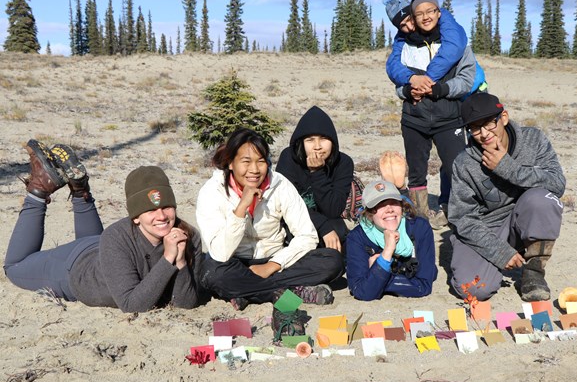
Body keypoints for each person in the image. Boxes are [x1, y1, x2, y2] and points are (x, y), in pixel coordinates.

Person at [4, 140, 204, 313]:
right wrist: (168, 258)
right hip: (74, 268)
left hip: (104, 249)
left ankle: (80, 189)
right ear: (135, 217)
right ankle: (38, 190)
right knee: (13, 268)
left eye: (167, 207)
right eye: (151, 210)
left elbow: (185, 304)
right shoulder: (117, 236)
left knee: (107, 245)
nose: (161, 216)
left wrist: (180, 262)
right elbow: (132, 305)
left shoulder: (188, 237)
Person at [196, 128, 344, 310]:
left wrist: (272, 265)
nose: (254, 170)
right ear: (230, 163)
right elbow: (220, 253)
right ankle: (288, 292)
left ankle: (246, 292)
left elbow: (307, 235)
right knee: (211, 273)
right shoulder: (212, 191)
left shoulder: (280, 184)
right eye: (246, 161)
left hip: (277, 259)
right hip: (235, 262)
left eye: (261, 161)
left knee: (332, 261)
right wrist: (241, 208)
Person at [447, 93, 565, 302]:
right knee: (473, 289)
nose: (483, 134)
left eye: (489, 123)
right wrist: (499, 252)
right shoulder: (464, 163)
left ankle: (534, 272)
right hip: (487, 227)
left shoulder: (533, 140)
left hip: (527, 217)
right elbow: (462, 218)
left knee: (542, 200)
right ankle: (492, 257)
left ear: (503, 118)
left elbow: (557, 184)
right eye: (474, 128)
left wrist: (509, 169)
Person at [384, 0, 487, 229]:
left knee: (455, 167)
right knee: (417, 171)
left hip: (450, 117)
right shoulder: (404, 45)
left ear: (437, 14)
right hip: (414, 118)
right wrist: (409, 91)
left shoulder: (457, 44)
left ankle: (451, 210)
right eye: (415, 17)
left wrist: (439, 89)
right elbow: (397, 82)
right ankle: (419, 216)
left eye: (426, 13)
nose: (413, 24)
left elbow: (466, 79)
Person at [276, 106, 353, 253]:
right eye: (310, 140)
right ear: (301, 142)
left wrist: (317, 173)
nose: (317, 147)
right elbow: (287, 204)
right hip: (295, 220)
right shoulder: (289, 159)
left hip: (330, 220)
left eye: (323, 139)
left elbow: (333, 209)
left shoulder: (343, 163)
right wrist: (322, 226)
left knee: (341, 235)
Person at [346, 180, 437, 301]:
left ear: (402, 206)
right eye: (380, 205)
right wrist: (387, 253)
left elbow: (423, 286)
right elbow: (362, 291)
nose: (389, 209)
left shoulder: (420, 228)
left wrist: (378, 274)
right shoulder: (357, 238)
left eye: (394, 202)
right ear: (368, 212)